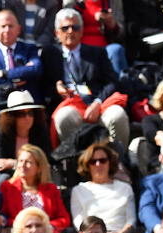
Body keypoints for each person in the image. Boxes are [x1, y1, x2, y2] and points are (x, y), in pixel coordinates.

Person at [43, 8, 129, 147]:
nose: (70, 31)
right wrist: (56, 89)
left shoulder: (97, 53)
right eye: (65, 28)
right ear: (57, 33)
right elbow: (44, 86)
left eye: (75, 27)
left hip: (97, 103)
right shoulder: (50, 54)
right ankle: (74, 163)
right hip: (69, 105)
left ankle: (118, 161)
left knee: (117, 115)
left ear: (82, 31)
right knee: (64, 117)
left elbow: (112, 82)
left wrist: (97, 102)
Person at [71, 142, 145, 233]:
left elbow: (131, 220)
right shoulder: (79, 190)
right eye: (93, 161)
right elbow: (78, 221)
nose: (98, 164)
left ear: (110, 162)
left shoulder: (125, 188)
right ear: (87, 165)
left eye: (102, 160)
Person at [0, 10, 43, 136]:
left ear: (19, 29)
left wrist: (5, 73)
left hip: (28, 99)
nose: (7, 30)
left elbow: (36, 70)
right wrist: (20, 76)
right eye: (3, 26)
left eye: (10, 26)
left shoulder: (29, 49)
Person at [62, 0, 128, 75]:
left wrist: (111, 23)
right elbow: (66, 24)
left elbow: (121, 34)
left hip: (105, 48)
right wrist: (82, 0)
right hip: (79, 47)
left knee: (117, 50)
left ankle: (122, 89)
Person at [0, 144, 70, 233]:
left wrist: (44, 227)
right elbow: (4, 218)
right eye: (20, 161)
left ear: (38, 168)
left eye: (28, 162)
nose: (22, 165)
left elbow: (64, 219)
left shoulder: (51, 189)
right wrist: (23, 226)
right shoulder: (7, 187)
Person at [0, 91, 50, 188]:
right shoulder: (4, 131)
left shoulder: (41, 129)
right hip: (11, 174)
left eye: (30, 113)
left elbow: (44, 160)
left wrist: (13, 163)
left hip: (36, 174)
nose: (28, 118)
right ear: (11, 117)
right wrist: (20, 167)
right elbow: (0, 163)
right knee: (1, 179)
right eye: (21, 114)